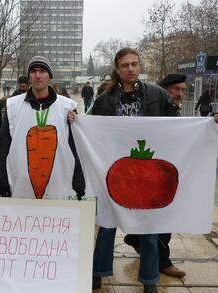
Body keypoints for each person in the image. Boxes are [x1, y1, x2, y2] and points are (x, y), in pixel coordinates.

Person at [89, 48, 178, 293]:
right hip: (115, 170)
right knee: (107, 226)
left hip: (147, 172)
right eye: (125, 65)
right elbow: (90, 126)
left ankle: (150, 281)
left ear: (139, 67)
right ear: (117, 69)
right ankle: (97, 274)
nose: (131, 68)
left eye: (134, 64)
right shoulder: (104, 99)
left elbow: (178, 122)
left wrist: (207, 123)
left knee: (148, 229)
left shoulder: (157, 95)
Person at [122, 73, 188, 280]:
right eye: (176, 89)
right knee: (157, 216)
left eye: (183, 90)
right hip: (146, 168)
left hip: (163, 168)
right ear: (163, 91)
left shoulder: (172, 110)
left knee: (163, 214)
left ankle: (136, 239)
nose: (181, 94)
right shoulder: (152, 106)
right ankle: (163, 261)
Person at [0, 55, 85, 200]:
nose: (38, 75)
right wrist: (2, 181)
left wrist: (78, 181)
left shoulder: (67, 107)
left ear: (49, 76)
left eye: (42, 71)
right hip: (22, 184)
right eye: (33, 71)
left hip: (58, 184)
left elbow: (75, 149)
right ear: (29, 76)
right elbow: (4, 147)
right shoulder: (14, 106)